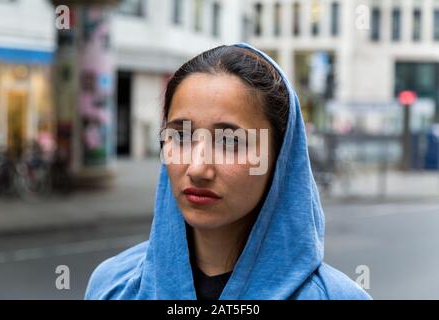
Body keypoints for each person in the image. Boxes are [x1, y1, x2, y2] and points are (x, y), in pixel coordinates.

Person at [85, 43, 371, 300]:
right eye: (180, 137)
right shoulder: (113, 286)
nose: (198, 168)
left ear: (280, 156)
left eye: (230, 142)